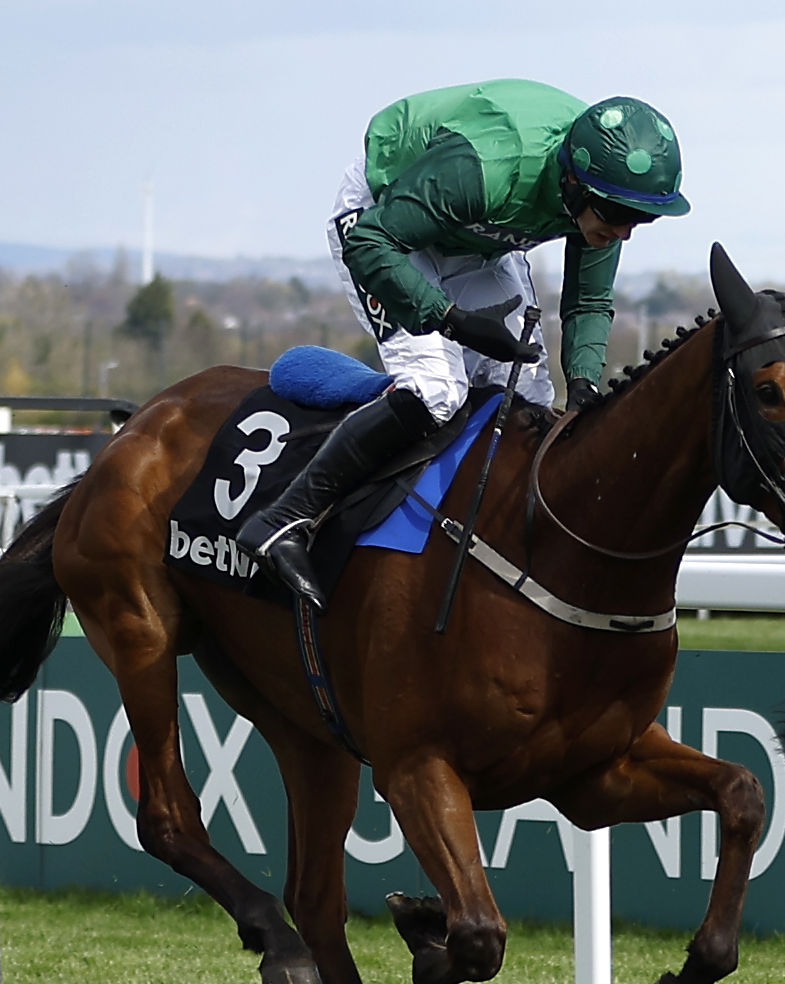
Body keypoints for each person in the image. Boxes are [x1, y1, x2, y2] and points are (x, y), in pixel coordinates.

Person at [235, 80, 689, 603]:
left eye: (643, 218)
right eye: (619, 216)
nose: (627, 232)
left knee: (531, 403)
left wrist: (584, 384)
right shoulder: (486, 169)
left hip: (475, 234)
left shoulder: (605, 198)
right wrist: (448, 319)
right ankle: (283, 519)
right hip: (385, 220)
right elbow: (371, 242)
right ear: (572, 183)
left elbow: (588, 302)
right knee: (437, 389)